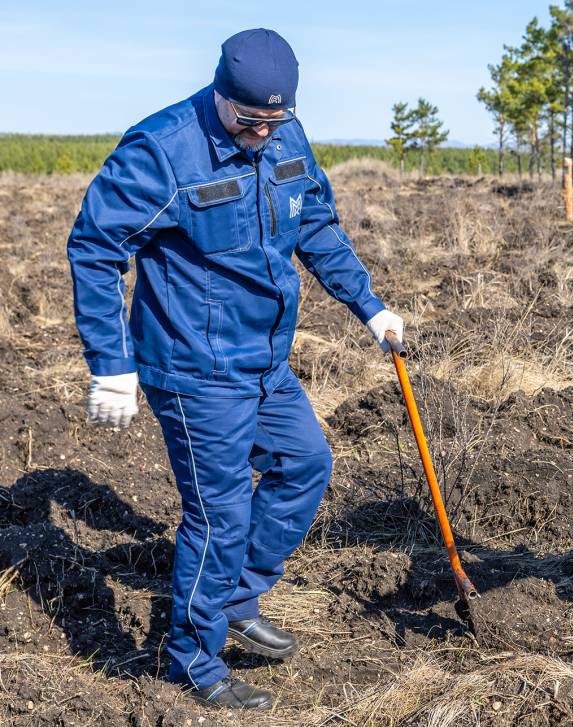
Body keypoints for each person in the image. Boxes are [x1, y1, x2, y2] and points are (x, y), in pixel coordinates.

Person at [66, 29, 404, 709]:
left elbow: (317, 227)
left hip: (264, 359)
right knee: (217, 514)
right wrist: (111, 363)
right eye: (247, 120)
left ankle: (236, 594)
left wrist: (369, 307)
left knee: (304, 463)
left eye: (273, 122)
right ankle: (192, 659)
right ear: (219, 93)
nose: (259, 133)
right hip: (192, 365)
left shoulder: (286, 137)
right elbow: (95, 247)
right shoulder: (161, 150)